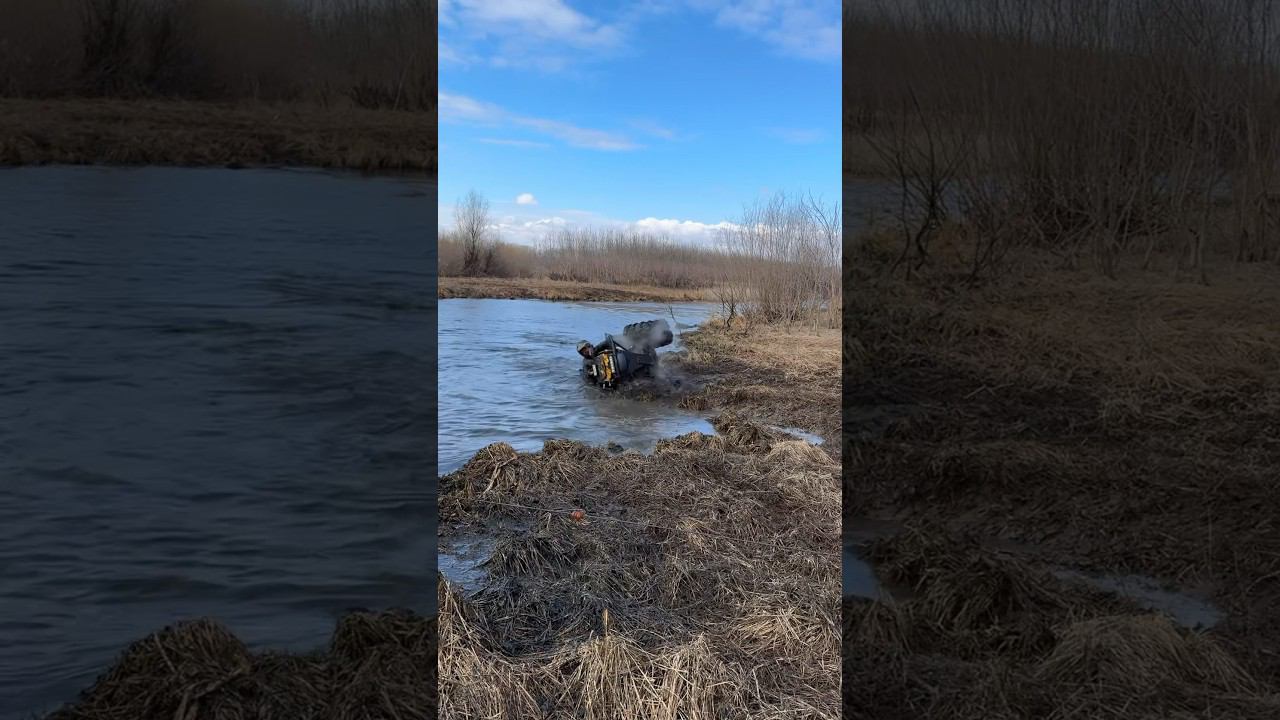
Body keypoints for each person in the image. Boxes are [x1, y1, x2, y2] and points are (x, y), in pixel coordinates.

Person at [578, 319, 672, 389]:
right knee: (641, 385)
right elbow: (590, 382)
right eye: (583, 351)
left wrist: (595, 349)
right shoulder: (587, 363)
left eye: (586, 347)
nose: (586, 351)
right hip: (625, 375)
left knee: (627, 332)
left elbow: (611, 341)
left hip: (633, 354)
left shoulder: (599, 349)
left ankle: (659, 328)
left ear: (590, 345)